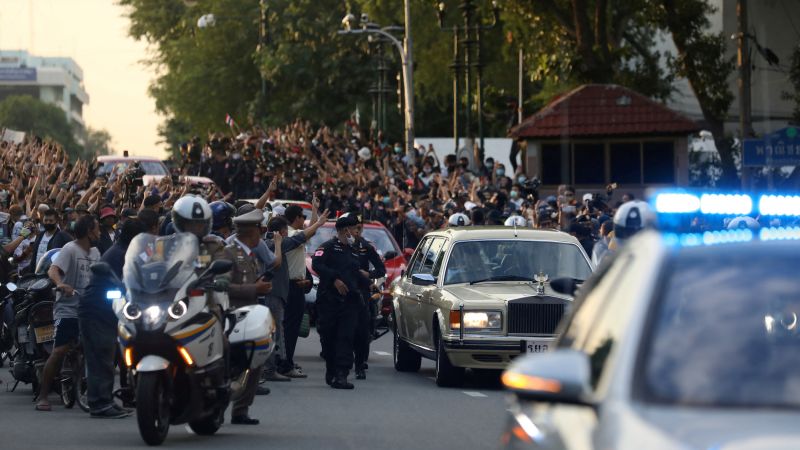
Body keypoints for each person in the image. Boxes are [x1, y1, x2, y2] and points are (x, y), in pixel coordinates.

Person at [79, 218, 145, 417]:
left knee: (107, 357)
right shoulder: (118, 255)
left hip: (108, 313)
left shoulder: (127, 252)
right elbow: (123, 285)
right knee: (100, 358)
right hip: (96, 311)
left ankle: (106, 400)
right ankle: (99, 404)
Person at [37, 215, 103, 413]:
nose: (99, 233)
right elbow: (53, 270)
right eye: (97, 229)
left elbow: (101, 274)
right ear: (89, 232)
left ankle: (98, 394)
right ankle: (43, 396)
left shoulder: (96, 252)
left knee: (99, 350)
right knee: (59, 351)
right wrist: (61, 284)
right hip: (69, 308)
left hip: (89, 309)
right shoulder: (70, 249)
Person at [262, 211, 329, 381]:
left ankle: (280, 363)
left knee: (282, 329)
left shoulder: (272, 241)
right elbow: (303, 236)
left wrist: (315, 214)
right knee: (283, 329)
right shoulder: (278, 241)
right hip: (282, 289)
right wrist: (319, 222)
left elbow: (305, 234)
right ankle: (280, 365)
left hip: (286, 287)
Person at [223, 208, 275, 424]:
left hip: (249, 318)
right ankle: (217, 408)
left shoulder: (249, 254)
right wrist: (255, 289)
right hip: (231, 318)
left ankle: (241, 410)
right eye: (259, 230)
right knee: (229, 367)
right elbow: (223, 286)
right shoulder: (228, 253)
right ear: (250, 232)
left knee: (254, 363)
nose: (261, 235)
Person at [312, 214, 366, 390]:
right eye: (354, 229)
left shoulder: (354, 250)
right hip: (329, 301)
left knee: (346, 337)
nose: (356, 233)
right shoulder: (327, 247)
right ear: (345, 230)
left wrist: (370, 282)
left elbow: (354, 272)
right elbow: (317, 264)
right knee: (328, 337)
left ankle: (342, 374)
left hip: (349, 302)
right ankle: (331, 370)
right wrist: (334, 279)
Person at [346, 214, 385, 380]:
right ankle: (343, 363)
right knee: (344, 331)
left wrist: (368, 274)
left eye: (358, 228)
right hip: (343, 294)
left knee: (362, 332)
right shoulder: (336, 246)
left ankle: (360, 365)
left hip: (362, 294)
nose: (356, 231)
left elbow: (381, 270)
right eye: (353, 228)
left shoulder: (365, 247)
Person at [29, 208, 71, 273]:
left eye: (51, 221)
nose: (48, 222)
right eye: (46, 220)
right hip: (36, 273)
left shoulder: (62, 237)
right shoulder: (40, 235)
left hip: (50, 274)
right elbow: (35, 255)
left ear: (56, 222)